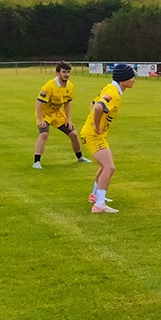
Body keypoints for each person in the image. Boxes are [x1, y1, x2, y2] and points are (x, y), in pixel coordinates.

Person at [80, 64, 136, 213]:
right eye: (132, 76)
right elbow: (98, 107)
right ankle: (99, 204)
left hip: (95, 134)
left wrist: (93, 121)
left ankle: (95, 195)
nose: (134, 80)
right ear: (123, 79)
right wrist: (96, 126)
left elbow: (93, 103)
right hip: (93, 135)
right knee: (109, 167)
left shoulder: (111, 89)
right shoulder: (113, 92)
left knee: (105, 166)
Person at [32, 61, 91, 169]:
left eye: (68, 72)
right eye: (64, 72)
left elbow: (67, 103)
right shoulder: (49, 86)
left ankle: (80, 157)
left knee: (73, 134)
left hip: (57, 113)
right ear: (57, 73)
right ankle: (36, 162)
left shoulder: (70, 86)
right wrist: (40, 119)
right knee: (44, 134)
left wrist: (68, 119)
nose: (67, 74)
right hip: (45, 113)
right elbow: (38, 102)